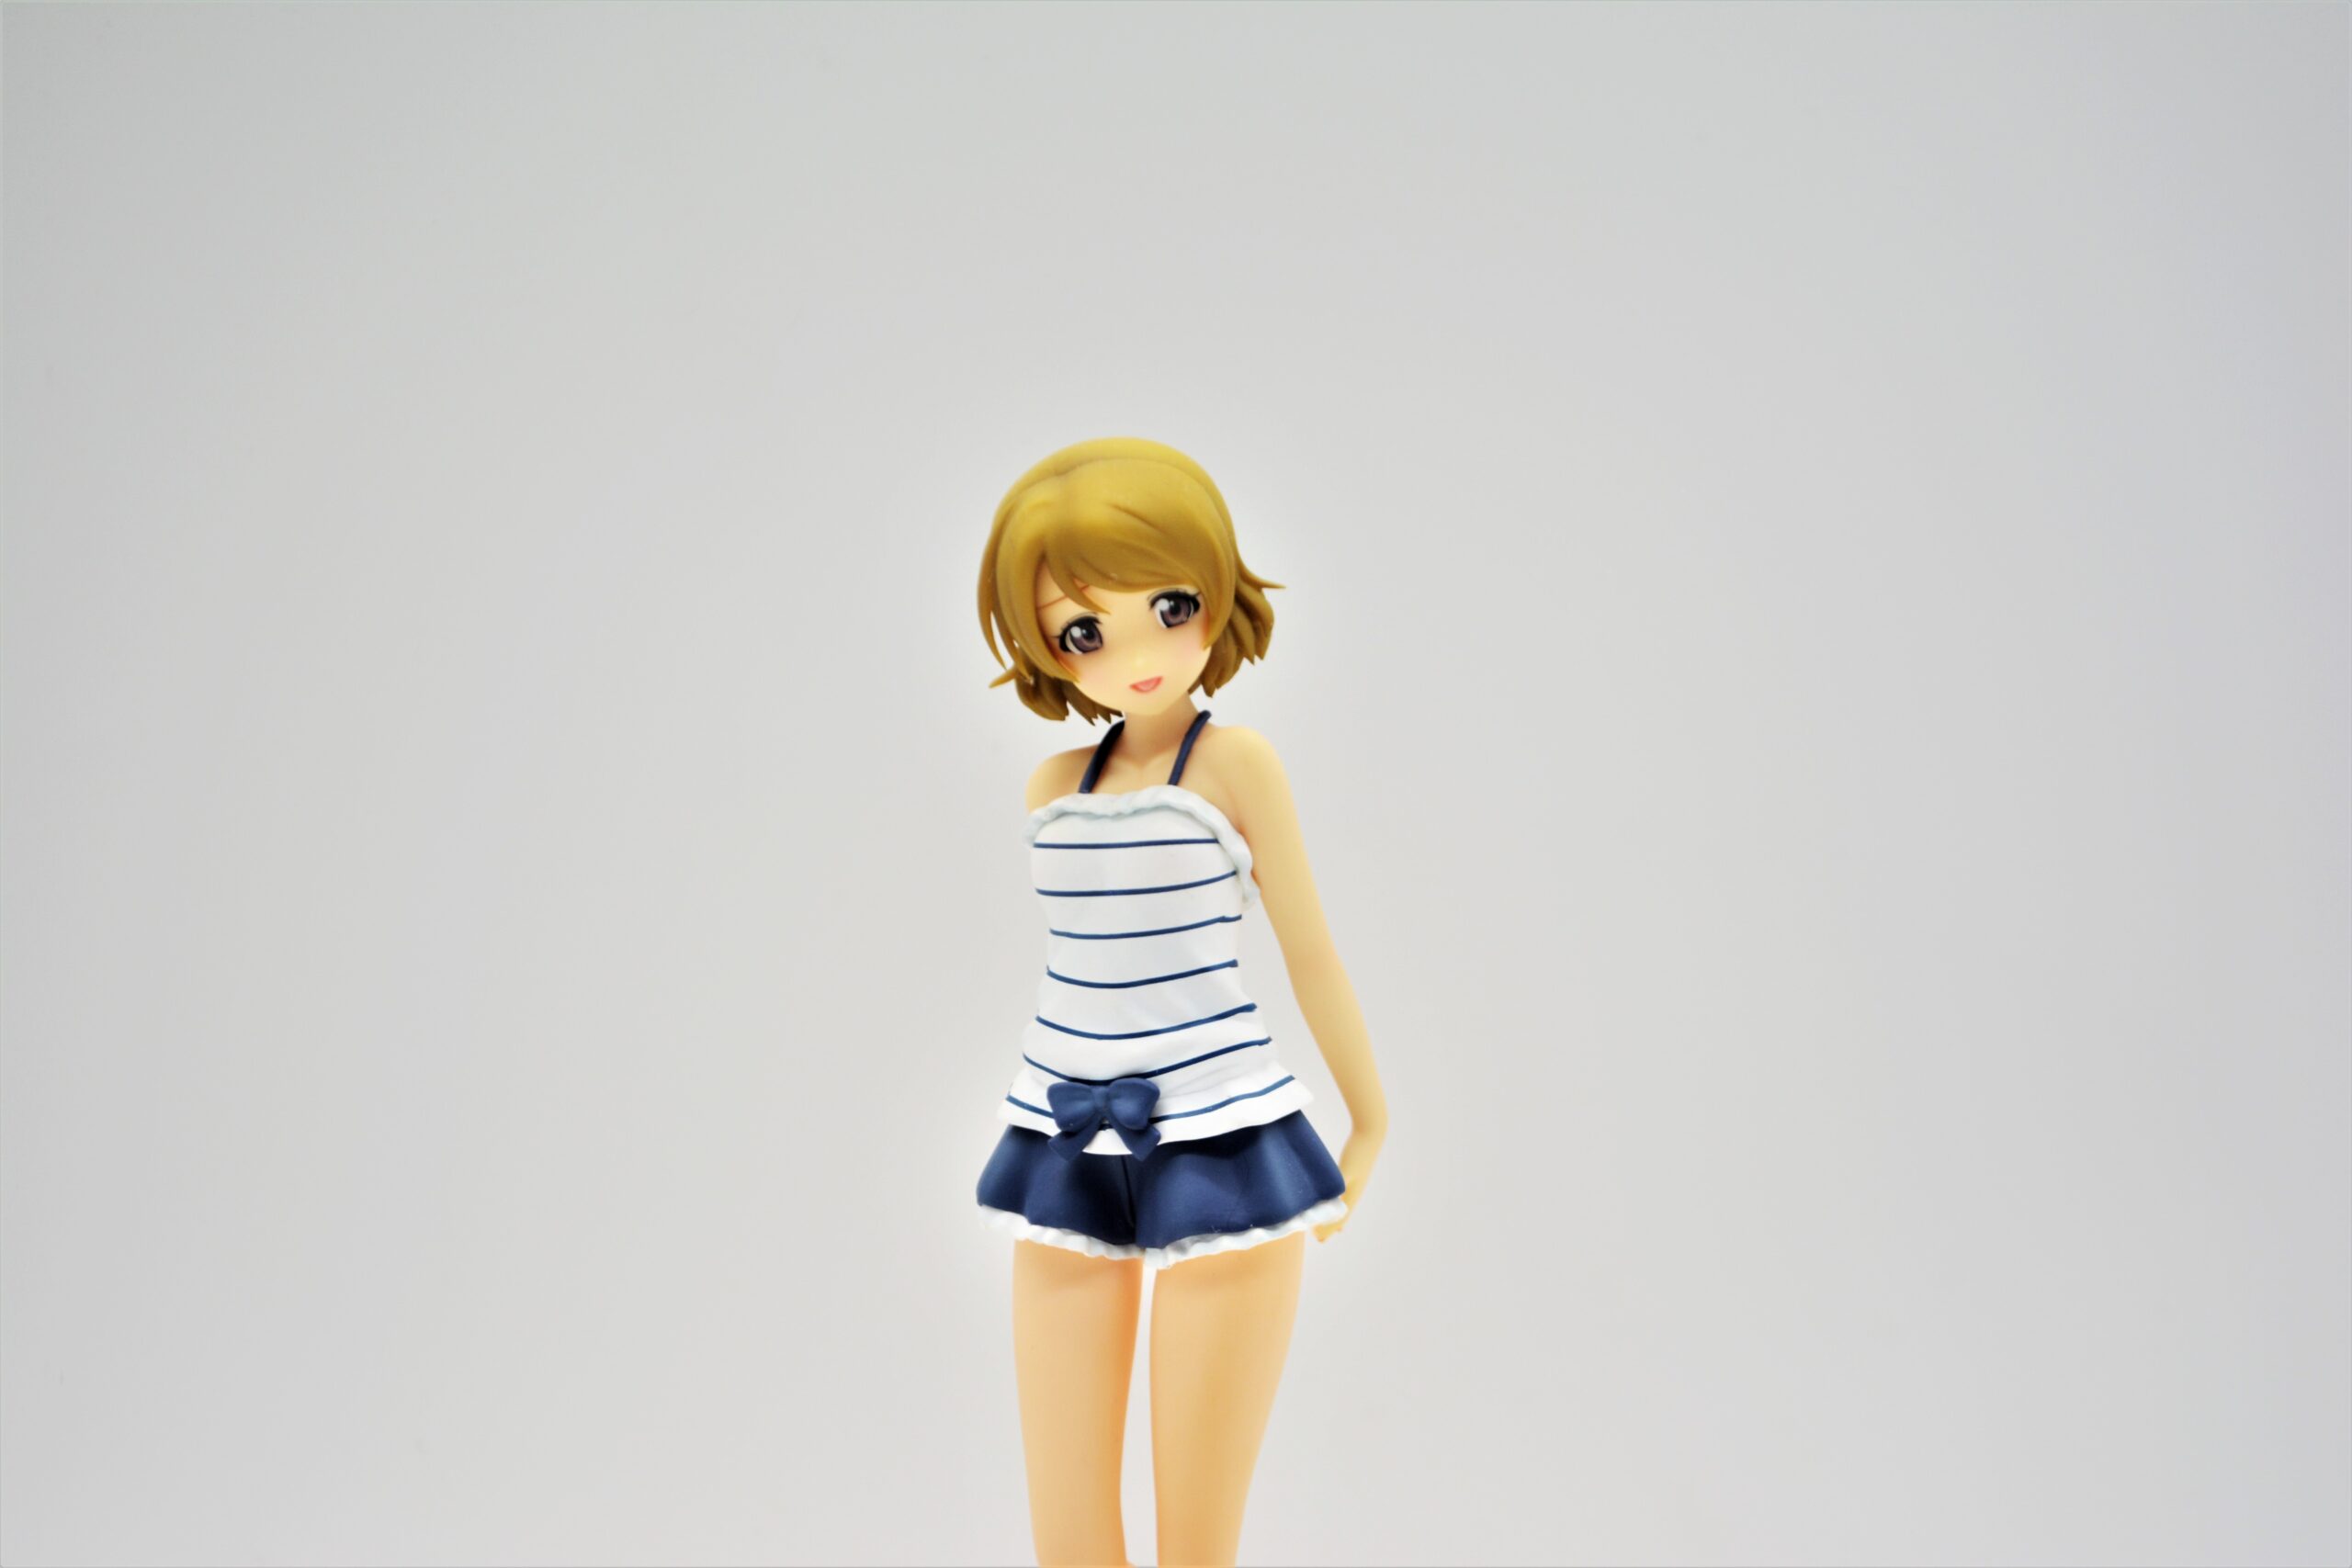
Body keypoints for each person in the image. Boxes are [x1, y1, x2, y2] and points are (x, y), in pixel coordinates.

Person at [972, 435, 1390, 1568]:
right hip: (1062, 1138)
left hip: (1221, 1137)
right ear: (1043, 647)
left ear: (1213, 594)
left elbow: (1308, 950)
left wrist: (1369, 1120)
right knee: (1068, 1536)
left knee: (1195, 1542)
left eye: (1170, 607)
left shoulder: (1236, 766)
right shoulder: (1051, 787)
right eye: (1082, 631)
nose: (1138, 655)